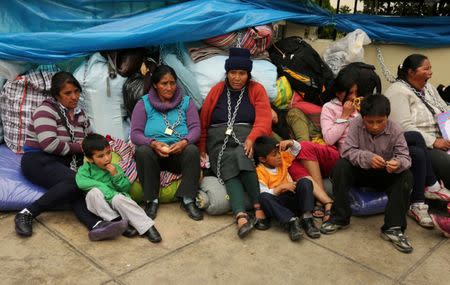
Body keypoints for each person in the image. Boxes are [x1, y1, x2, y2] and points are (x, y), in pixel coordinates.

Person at [14, 71, 127, 241]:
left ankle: (97, 225)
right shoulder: (45, 111)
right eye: (67, 93)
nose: (74, 97)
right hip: (38, 159)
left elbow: (90, 141)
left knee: (78, 186)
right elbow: (49, 144)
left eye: (76, 91)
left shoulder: (80, 115)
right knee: (75, 182)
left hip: (66, 161)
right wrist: (82, 148)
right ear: (56, 95)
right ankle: (27, 213)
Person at [321, 94, 414, 253]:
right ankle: (339, 218)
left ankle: (393, 227)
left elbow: (405, 157)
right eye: (370, 122)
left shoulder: (396, 129)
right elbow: (348, 151)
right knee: (341, 166)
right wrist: (368, 158)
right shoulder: (355, 124)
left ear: (387, 117)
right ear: (363, 117)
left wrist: (397, 163)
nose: (376, 126)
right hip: (361, 172)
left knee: (406, 176)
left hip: (385, 174)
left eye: (380, 121)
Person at [199, 48, 272, 238]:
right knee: (227, 159)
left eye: (242, 73)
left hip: (246, 137)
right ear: (227, 73)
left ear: (248, 74)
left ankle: (257, 206)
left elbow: (264, 119)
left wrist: (251, 138)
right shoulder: (217, 90)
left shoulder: (256, 90)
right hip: (218, 140)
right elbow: (203, 122)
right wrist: (202, 148)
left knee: (242, 153)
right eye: (233, 73)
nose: (237, 77)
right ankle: (240, 214)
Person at [131, 65, 203, 221]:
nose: (169, 87)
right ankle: (151, 200)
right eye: (164, 83)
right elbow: (135, 134)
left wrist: (184, 142)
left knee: (192, 150)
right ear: (155, 85)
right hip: (154, 155)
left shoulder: (186, 102)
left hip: (178, 153)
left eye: (172, 83)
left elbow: (195, 129)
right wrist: (153, 144)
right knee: (142, 151)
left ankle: (188, 199)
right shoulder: (143, 104)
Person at [288, 68, 361, 222]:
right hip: (337, 154)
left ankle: (321, 202)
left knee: (304, 147)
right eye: (349, 93)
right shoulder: (329, 107)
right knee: (293, 158)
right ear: (338, 93)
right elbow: (329, 139)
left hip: (355, 155)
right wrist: (344, 116)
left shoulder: (361, 106)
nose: (353, 97)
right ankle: (325, 200)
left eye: (355, 92)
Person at [385, 54, 450, 200]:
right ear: (411, 72)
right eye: (426, 69)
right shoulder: (398, 92)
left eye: (430, 68)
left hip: (444, 140)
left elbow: (445, 110)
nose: (430, 72)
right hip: (425, 146)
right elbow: (403, 126)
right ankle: (433, 188)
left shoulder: (429, 89)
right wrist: (434, 142)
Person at [76, 133, 162, 243]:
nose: (107, 158)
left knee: (118, 198)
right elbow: (81, 182)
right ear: (90, 159)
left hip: (116, 202)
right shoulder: (85, 170)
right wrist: (103, 187)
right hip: (101, 207)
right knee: (93, 193)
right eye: (101, 156)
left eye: (108, 153)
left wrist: (115, 175)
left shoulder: (116, 168)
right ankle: (116, 222)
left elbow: (125, 187)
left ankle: (147, 227)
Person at [254, 136, 321, 241]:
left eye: (279, 152)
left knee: (305, 182)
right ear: (263, 159)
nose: (279, 156)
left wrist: (290, 142)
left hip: (293, 197)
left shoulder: (283, 160)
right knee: (263, 197)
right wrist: (280, 188)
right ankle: (291, 222)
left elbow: (297, 149)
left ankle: (307, 218)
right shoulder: (260, 171)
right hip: (280, 203)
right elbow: (263, 191)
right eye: (274, 154)